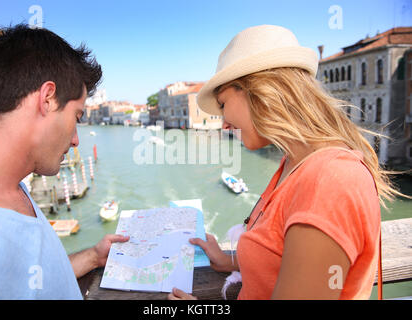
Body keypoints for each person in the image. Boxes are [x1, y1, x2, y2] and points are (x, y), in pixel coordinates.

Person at [168, 25, 405, 300]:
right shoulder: (296, 163)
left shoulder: (329, 181)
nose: (223, 123)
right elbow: (283, 255)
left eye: (222, 104)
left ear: (257, 90)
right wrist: (230, 260)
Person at [0, 24, 129, 299]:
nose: (76, 140)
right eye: (76, 117)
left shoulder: (7, 185)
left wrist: (92, 257)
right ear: (47, 99)